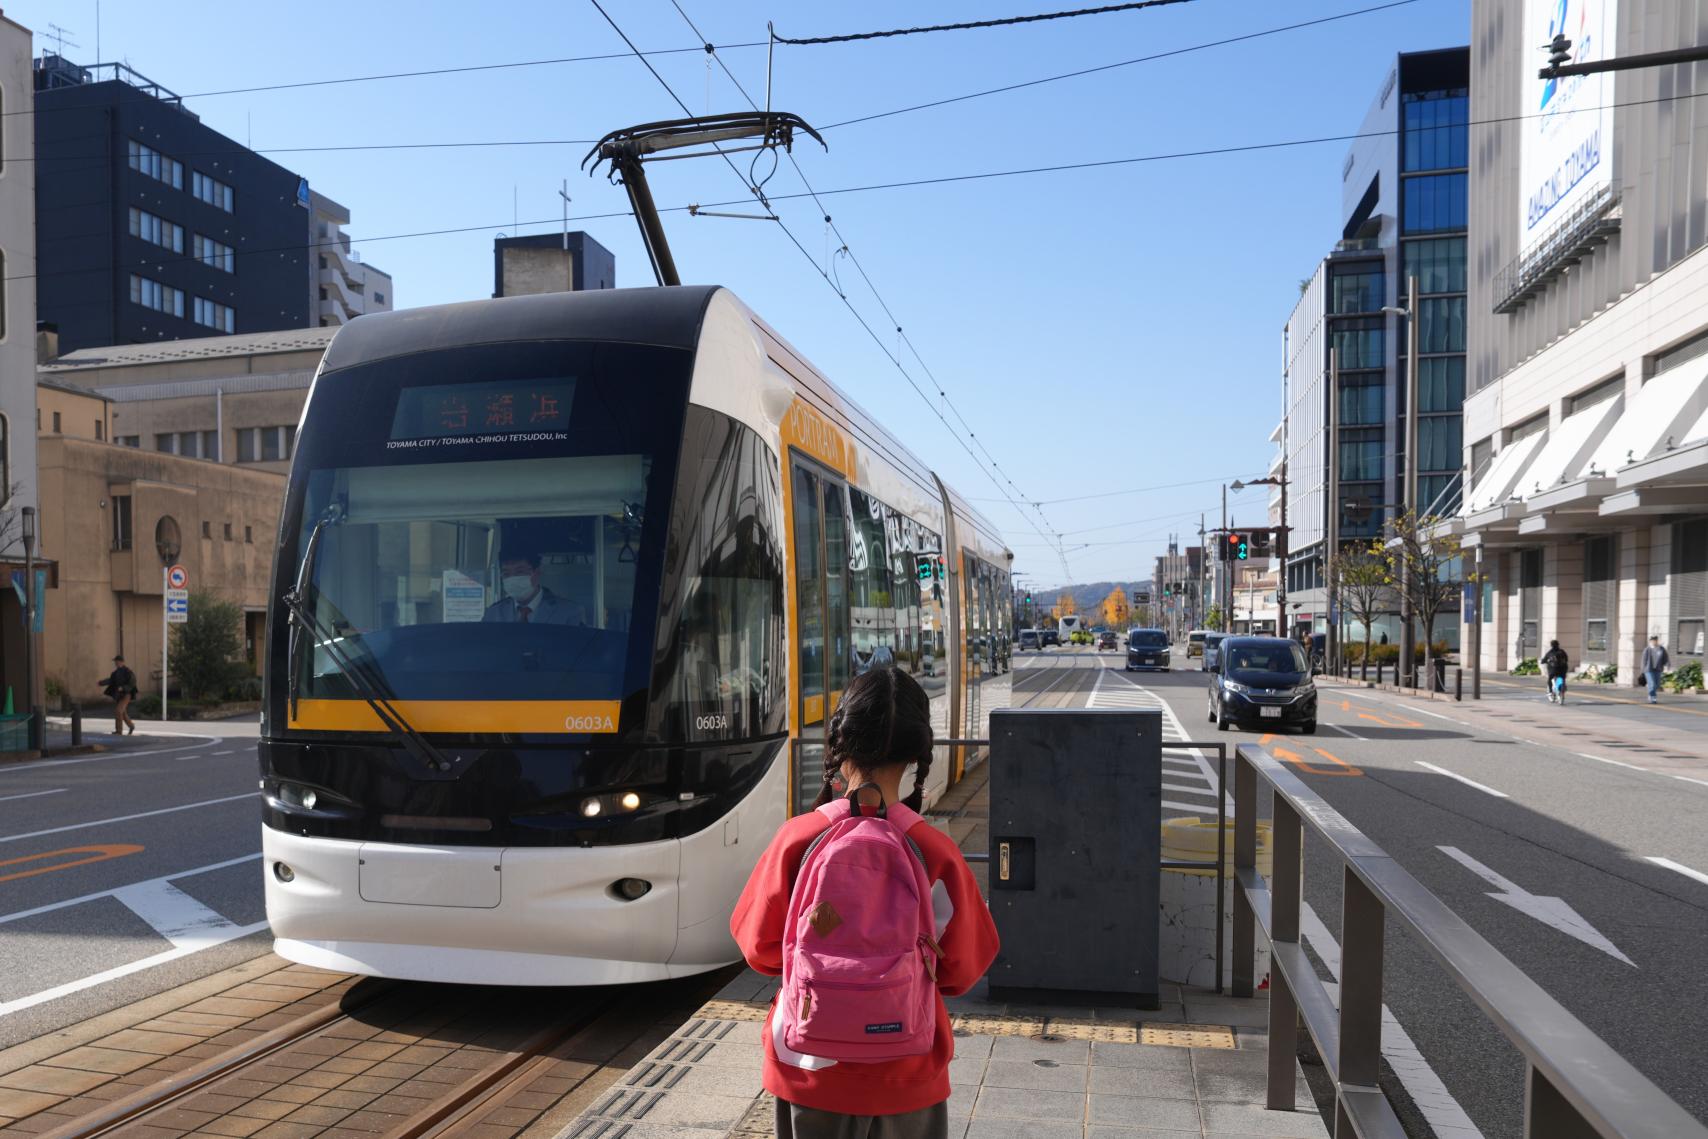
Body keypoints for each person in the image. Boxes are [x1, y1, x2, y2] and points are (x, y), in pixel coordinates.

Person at [731, 668, 999, 1139]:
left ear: (840, 742)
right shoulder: (935, 853)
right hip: (908, 1073)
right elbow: (962, 970)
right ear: (917, 754)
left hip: (809, 1069)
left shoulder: (798, 841)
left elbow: (761, 950)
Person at [481, 551, 583, 625]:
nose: (512, 579)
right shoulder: (493, 613)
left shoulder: (568, 612)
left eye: (520, 572)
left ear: (537, 573)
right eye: (506, 573)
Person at [97, 655, 138, 735]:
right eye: (115, 661)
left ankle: (119, 731)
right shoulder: (115, 673)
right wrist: (101, 683)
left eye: (117, 661)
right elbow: (110, 680)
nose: (115, 663)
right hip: (119, 695)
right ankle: (131, 726)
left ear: (121, 662)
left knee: (118, 711)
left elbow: (132, 682)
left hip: (126, 695)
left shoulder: (128, 671)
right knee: (123, 713)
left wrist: (123, 688)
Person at [1641, 635, 1670, 704]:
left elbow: (1665, 658)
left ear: (1657, 641)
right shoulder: (1647, 650)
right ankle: (1653, 698)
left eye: (1655, 640)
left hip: (1658, 669)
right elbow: (1643, 660)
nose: (1654, 642)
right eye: (1652, 641)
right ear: (1650, 641)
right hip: (1648, 669)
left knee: (1657, 685)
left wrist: (1667, 665)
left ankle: (1650, 693)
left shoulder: (1661, 649)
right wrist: (1643, 670)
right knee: (1652, 684)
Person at [1541, 639, 1570, 704]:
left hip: (1553, 670)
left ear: (1551, 645)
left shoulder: (1550, 652)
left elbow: (1543, 661)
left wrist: (1545, 661)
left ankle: (1550, 691)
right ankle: (1563, 688)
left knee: (1550, 678)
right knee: (1563, 678)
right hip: (1563, 669)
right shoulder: (1562, 651)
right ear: (1558, 645)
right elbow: (1566, 659)